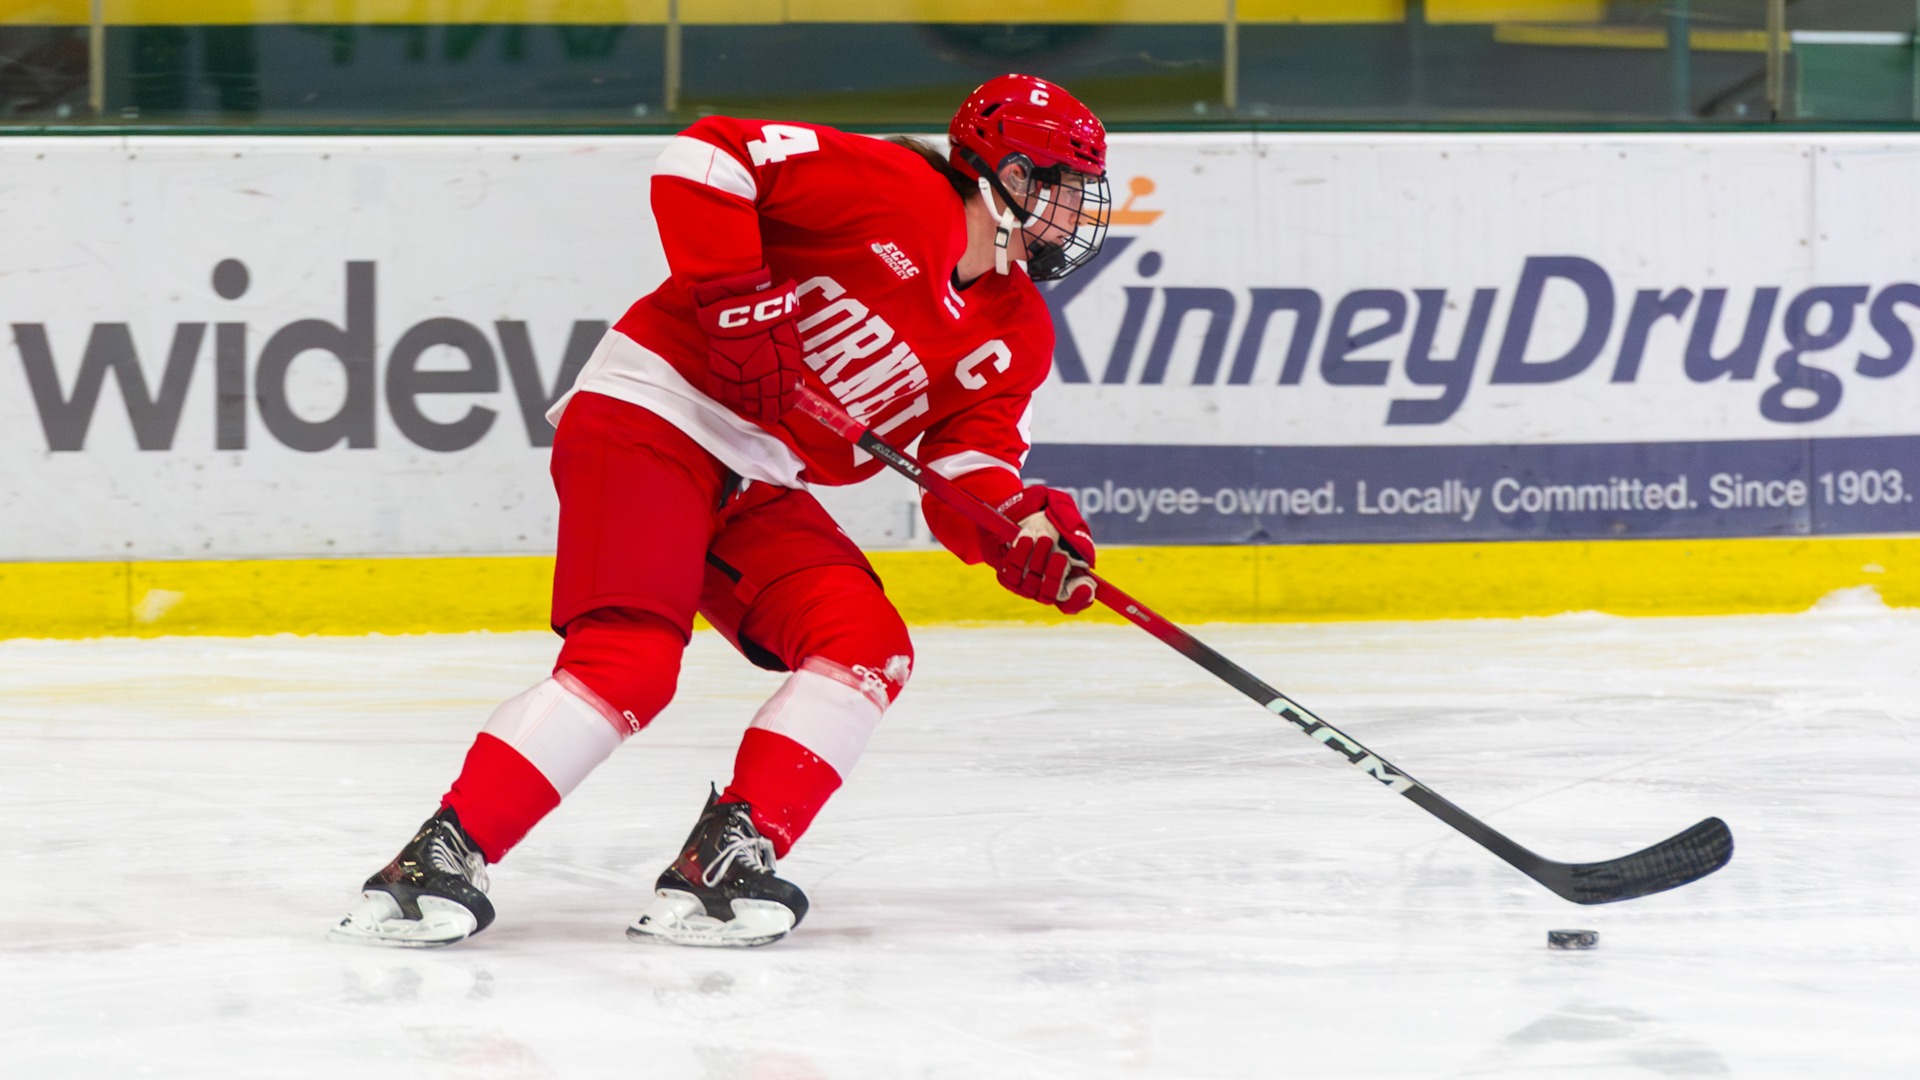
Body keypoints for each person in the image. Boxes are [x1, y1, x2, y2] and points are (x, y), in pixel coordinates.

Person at [332, 73, 1113, 949]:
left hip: (757, 477)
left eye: (1081, 192)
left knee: (866, 646)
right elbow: (709, 155)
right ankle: (433, 863)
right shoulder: (896, 191)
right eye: (1056, 185)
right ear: (994, 174)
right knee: (631, 659)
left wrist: (1025, 532)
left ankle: (724, 863)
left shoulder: (1016, 330)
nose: (1074, 212)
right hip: (652, 414)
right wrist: (735, 298)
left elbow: (973, 466)